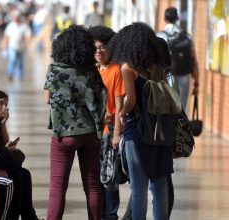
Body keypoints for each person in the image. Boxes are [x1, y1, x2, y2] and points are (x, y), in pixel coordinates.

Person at [108, 22, 174, 219]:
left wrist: (121, 113)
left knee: (138, 188)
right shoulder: (157, 68)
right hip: (160, 130)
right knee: (160, 184)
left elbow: (131, 99)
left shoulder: (128, 68)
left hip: (137, 131)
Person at [44, 25, 107, 220]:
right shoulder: (91, 71)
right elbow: (101, 97)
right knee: (93, 185)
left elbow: (47, 99)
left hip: (64, 134)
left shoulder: (54, 70)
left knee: (57, 187)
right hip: (90, 133)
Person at [0, 90, 42, 220]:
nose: (4, 107)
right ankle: (13, 216)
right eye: (0, 103)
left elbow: (4, 143)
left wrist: (3, 124)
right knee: (16, 173)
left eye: (6, 105)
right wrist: (4, 150)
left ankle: (28, 215)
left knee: (25, 174)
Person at [89, 25, 125, 220]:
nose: (99, 52)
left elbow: (119, 105)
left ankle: (110, 215)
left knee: (109, 177)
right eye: (95, 48)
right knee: (95, 178)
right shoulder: (91, 71)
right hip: (91, 132)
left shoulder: (116, 70)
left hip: (108, 132)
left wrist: (117, 133)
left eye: (102, 47)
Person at [157, 7, 199, 109]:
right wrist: (196, 82)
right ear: (177, 19)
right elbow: (194, 61)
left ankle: (168, 124)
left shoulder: (160, 36)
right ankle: (179, 123)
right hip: (184, 74)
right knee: (181, 106)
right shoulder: (187, 36)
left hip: (165, 75)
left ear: (165, 19)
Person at [1, 10, 32, 81]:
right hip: (12, 46)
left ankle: (20, 76)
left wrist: (27, 45)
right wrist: (4, 46)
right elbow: (6, 36)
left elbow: (28, 36)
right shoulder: (11, 25)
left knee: (20, 62)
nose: (16, 18)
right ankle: (10, 74)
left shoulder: (24, 26)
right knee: (12, 59)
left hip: (21, 47)